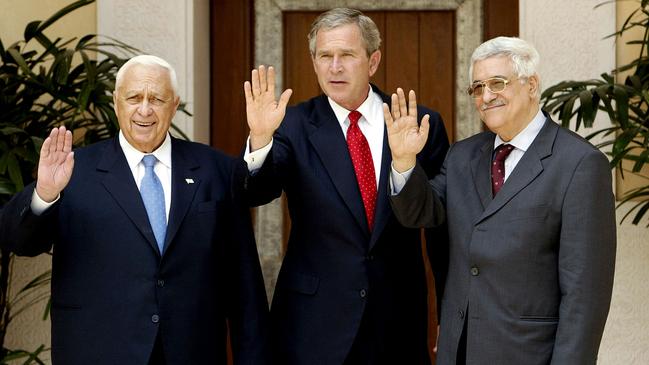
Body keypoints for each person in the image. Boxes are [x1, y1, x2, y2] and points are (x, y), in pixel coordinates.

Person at [0, 55, 269, 365]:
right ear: (116, 103)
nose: (145, 109)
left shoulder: (216, 169)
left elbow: (244, 287)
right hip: (99, 352)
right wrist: (44, 193)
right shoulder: (73, 171)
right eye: (134, 98)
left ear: (174, 104)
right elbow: (18, 241)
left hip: (192, 352)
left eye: (156, 98)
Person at [386, 36, 616, 364]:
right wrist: (405, 161)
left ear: (532, 85)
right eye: (478, 87)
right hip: (461, 350)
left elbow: (585, 296)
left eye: (498, 83)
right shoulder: (462, 155)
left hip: (529, 354)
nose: (486, 96)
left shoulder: (579, 164)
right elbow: (421, 213)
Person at [242, 7, 449, 365]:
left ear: (372, 62)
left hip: (396, 321)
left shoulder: (417, 123)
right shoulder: (292, 125)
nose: (334, 67)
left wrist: (448, 311)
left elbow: (440, 228)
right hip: (313, 325)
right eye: (325, 56)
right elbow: (258, 191)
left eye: (347, 55)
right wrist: (260, 138)